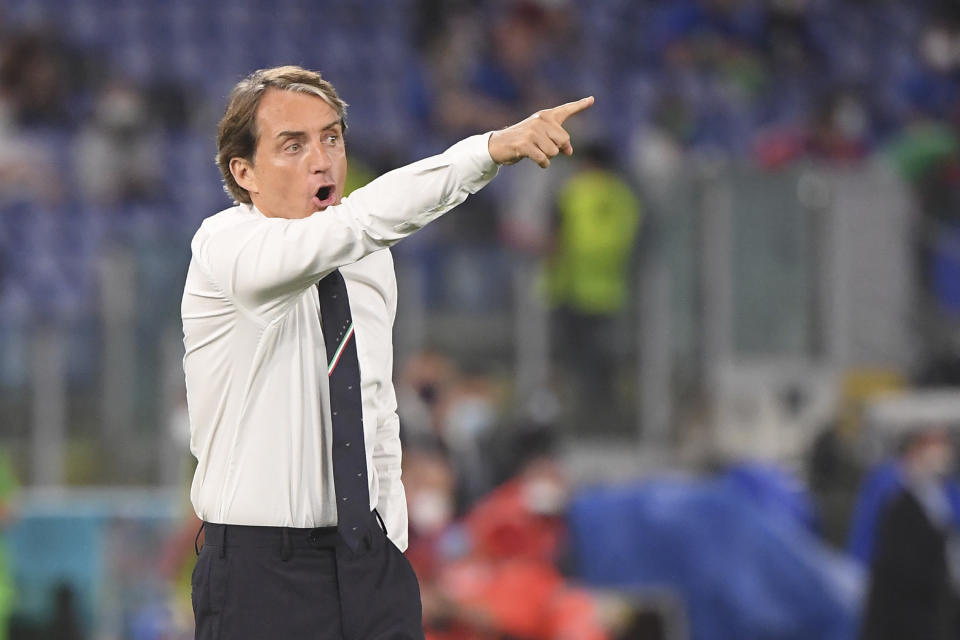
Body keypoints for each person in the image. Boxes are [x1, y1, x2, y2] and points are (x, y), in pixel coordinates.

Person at [180, 65, 592, 640]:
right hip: (261, 573)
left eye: (331, 136)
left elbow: (372, 403)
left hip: (370, 563)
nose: (322, 158)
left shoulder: (368, 257)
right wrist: (489, 150)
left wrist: (389, 537)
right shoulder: (224, 246)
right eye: (292, 145)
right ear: (243, 171)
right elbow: (356, 223)